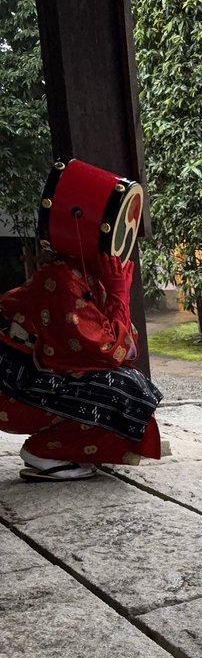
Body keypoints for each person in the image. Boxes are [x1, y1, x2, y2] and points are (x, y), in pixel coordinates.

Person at [0, 161, 162, 481]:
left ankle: (65, 446)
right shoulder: (62, 279)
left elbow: (126, 350)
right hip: (14, 385)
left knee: (132, 385)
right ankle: (45, 452)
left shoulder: (84, 273)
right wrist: (118, 293)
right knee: (124, 391)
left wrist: (114, 291)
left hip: (30, 377)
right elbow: (108, 352)